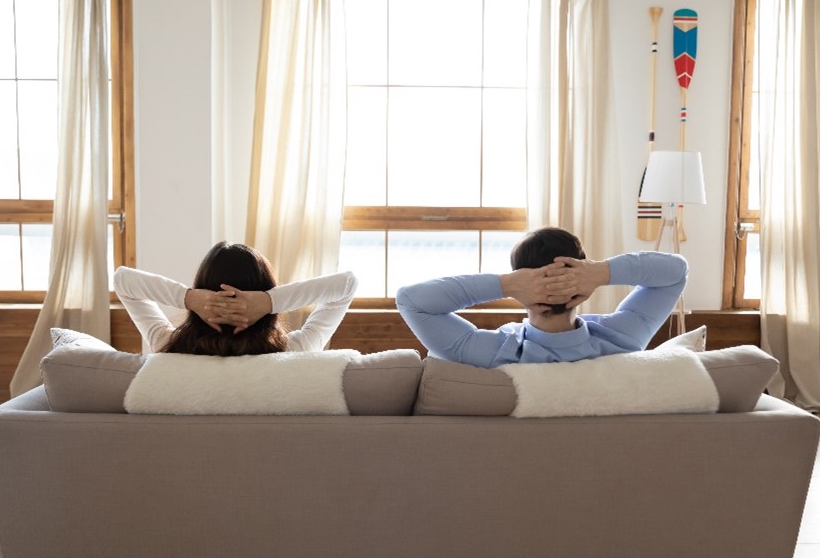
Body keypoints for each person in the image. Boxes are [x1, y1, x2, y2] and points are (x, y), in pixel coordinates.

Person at [395, 227, 688, 368]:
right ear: (581, 276)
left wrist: (507, 285)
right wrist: (600, 273)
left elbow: (411, 300)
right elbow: (676, 272)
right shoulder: (622, 339)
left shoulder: (492, 353)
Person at [115, 242, 357, 356]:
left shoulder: (166, 344)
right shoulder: (296, 349)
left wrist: (189, 298)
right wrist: (268, 302)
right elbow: (346, 285)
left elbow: (123, 281)